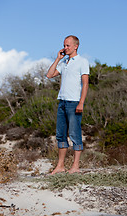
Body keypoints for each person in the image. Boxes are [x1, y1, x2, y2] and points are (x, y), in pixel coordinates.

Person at [46, 35, 89, 174]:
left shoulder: (82, 61)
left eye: (68, 46)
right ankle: (60, 166)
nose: (65, 48)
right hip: (62, 101)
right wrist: (58, 58)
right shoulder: (64, 62)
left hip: (74, 102)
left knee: (75, 134)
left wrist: (81, 103)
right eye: (64, 45)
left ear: (75, 46)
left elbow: (85, 83)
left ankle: (75, 166)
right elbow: (49, 75)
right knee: (60, 135)